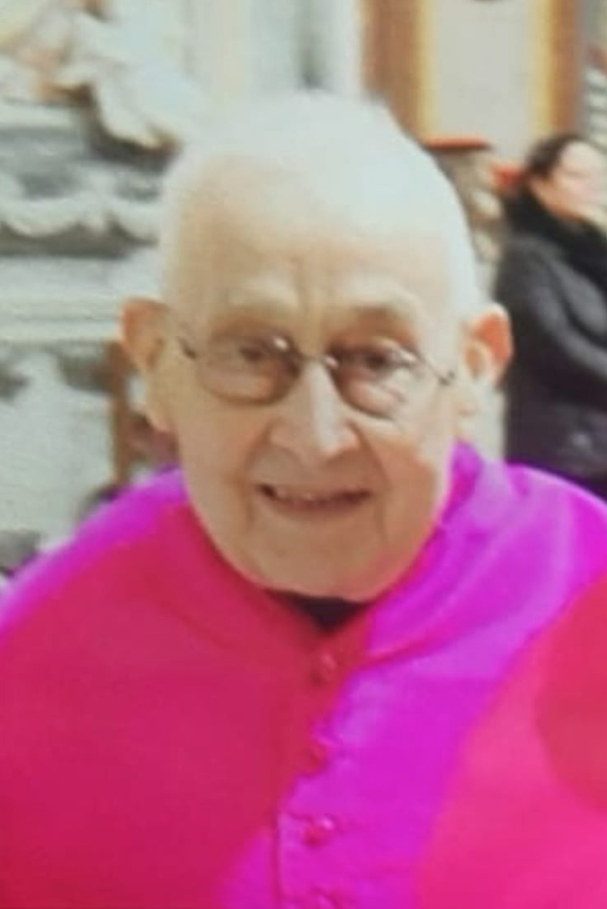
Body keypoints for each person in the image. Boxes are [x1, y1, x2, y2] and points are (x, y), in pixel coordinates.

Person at [1, 93, 607, 909]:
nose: (315, 437)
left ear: (474, 363)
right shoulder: (35, 647)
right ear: (156, 362)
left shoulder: (589, 598)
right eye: (250, 354)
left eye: (376, 360)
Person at [494, 132, 607, 499]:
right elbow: (552, 345)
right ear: (540, 184)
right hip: (562, 446)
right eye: (576, 176)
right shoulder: (526, 259)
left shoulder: (592, 252)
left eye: (598, 176)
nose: (591, 187)